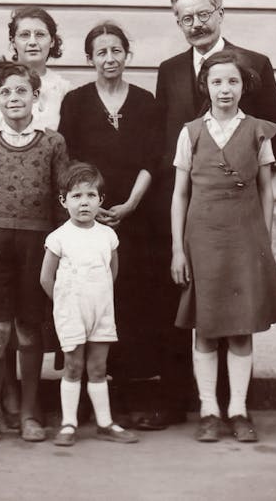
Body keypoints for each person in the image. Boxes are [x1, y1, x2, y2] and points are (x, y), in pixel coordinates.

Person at [138, 0, 276, 431]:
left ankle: (236, 406)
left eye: (203, 14)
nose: (196, 24)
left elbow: (270, 133)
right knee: (190, 311)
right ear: (177, 22)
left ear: (221, 12)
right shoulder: (168, 69)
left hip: (239, 213)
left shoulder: (254, 64)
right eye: (186, 18)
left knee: (237, 312)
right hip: (191, 212)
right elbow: (168, 142)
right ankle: (188, 402)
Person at [170, 50, 276, 442]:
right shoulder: (190, 132)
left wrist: (265, 241)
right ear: (205, 85)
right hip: (202, 237)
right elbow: (180, 194)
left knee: (241, 327)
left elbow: (267, 189)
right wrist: (177, 249)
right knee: (204, 327)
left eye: (233, 81)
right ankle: (209, 409)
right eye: (217, 81)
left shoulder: (257, 130)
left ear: (244, 86)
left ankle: (238, 408)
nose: (225, 89)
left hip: (245, 236)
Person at [0, 6, 71, 430]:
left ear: (37, 97)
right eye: (6, 93)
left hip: (37, 242)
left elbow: (62, 194)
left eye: (22, 93)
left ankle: (30, 411)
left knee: (30, 331)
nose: (14, 99)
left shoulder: (53, 141)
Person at [58, 22, 159, 425]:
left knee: (132, 304)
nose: (109, 58)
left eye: (116, 50)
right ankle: (85, 398)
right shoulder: (76, 102)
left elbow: (153, 159)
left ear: (126, 54)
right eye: (101, 52)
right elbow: (69, 161)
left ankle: (132, 396)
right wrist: (92, 208)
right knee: (90, 300)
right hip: (89, 218)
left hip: (137, 218)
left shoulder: (147, 102)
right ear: (90, 59)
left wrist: (131, 203)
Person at [40, 162, 139, 446]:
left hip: (101, 309)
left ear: (101, 200)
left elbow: (112, 271)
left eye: (91, 195)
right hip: (71, 310)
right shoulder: (59, 237)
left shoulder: (108, 235)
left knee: (97, 367)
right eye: (76, 196)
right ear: (63, 201)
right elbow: (47, 279)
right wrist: (65, 303)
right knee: (73, 366)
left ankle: (105, 422)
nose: (84, 202)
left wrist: (99, 297)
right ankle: (68, 423)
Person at [0, 6, 71, 132]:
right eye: (25, 35)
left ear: (52, 41)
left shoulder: (63, 88)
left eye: (40, 34)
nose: (33, 42)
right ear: (13, 42)